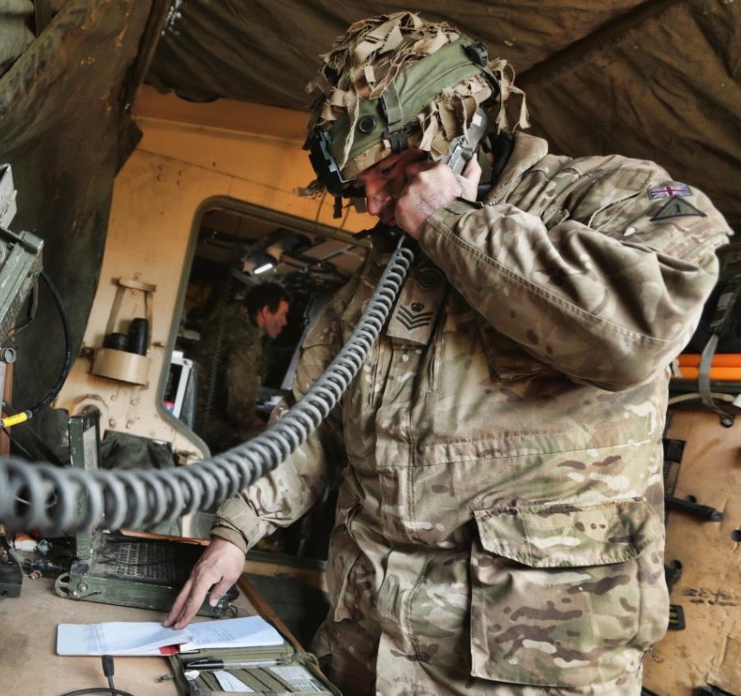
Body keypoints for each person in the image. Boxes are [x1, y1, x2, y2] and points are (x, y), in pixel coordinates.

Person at [166, 12, 732, 696]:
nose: (374, 200)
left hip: (524, 666)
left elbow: (636, 331)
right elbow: (312, 423)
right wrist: (237, 530)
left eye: (394, 168)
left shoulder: (604, 197)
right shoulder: (382, 276)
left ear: (463, 131)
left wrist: (450, 224)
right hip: (369, 647)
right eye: (360, 182)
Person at [191, 282, 290, 453]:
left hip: (193, 414)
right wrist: (254, 422)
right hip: (208, 424)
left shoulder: (225, 321)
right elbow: (239, 403)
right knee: (277, 441)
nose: (284, 322)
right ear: (266, 312)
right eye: (282, 315)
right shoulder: (246, 341)